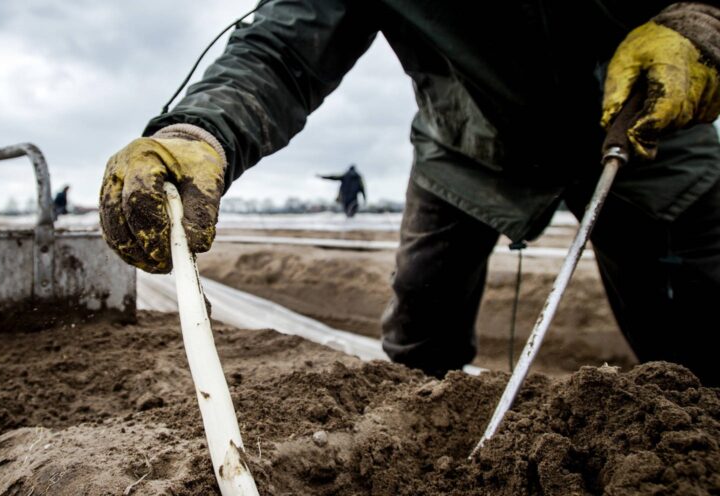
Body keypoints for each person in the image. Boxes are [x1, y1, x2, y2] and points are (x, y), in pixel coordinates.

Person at [99, 2, 720, 385]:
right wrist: (201, 129)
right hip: (462, 142)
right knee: (421, 338)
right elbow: (286, 46)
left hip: (647, 124)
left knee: (699, 340)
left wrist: (703, 23)